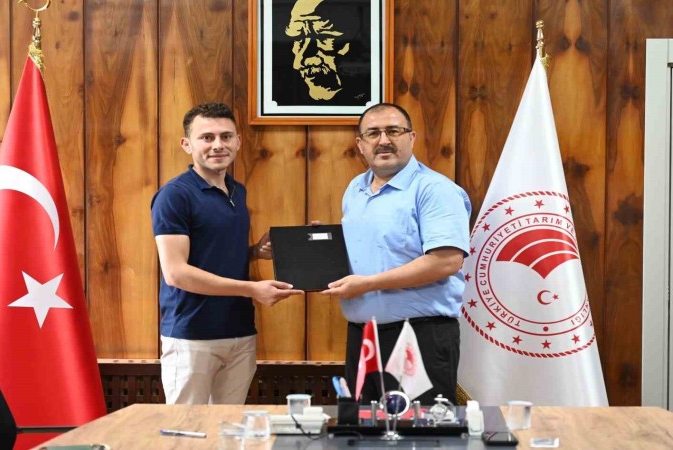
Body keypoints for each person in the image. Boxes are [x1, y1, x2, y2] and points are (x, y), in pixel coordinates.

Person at [151, 102, 303, 404]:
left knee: (230, 426)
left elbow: (212, 254)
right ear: (187, 144)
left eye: (226, 136)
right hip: (191, 335)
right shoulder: (174, 196)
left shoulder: (237, 190)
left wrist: (255, 252)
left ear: (238, 141)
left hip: (239, 331)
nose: (218, 145)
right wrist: (252, 289)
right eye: (207, 137)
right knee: (187, 428)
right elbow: (177, 273)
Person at [322, 103, 472, 405]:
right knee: (364, 427)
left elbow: (446, 261)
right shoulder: (355, 189)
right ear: (360, 144)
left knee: (420, 428)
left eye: (393, 131)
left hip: (419, 338)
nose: (384, 140)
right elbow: (370, 248)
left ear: (411, 138)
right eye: (373, 133)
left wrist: (368, 284)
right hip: (363, 337)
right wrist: (318, 246)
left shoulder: (434, 190)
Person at [272, 0, 371, 106]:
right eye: (298, 39)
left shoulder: (368, 90)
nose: (301, 61)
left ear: (351, 46)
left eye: (323, 38)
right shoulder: (279, 89)